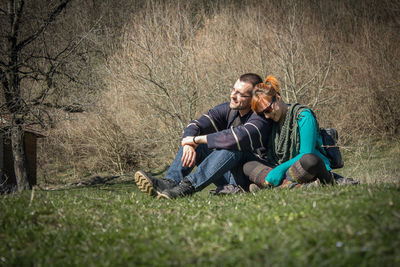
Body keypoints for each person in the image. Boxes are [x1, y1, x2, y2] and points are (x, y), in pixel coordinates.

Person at [135, 73, 272, 199]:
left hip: (249, 174)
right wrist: (189, 143)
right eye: (233, 90)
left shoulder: (260, 116)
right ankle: (169, 183)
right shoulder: (229, 110)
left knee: (233, 146)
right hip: (228, 173)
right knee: (197, 145)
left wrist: (196, 139)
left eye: (240, 94)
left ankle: (186, 188)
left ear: (253, 98)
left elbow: (238, 138)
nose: (233, 95)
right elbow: (196, 125)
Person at [243, 75, 336, 190]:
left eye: (268, 110)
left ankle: (277, 186)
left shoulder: (304, 116)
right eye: (262, 114)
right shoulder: (272, 123)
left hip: (306, 166)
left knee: (310, 160)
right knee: (248, 166)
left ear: (277, 97)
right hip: (283, 167)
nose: (267, 116)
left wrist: (279, 170)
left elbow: (306, 152)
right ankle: (298, 187)